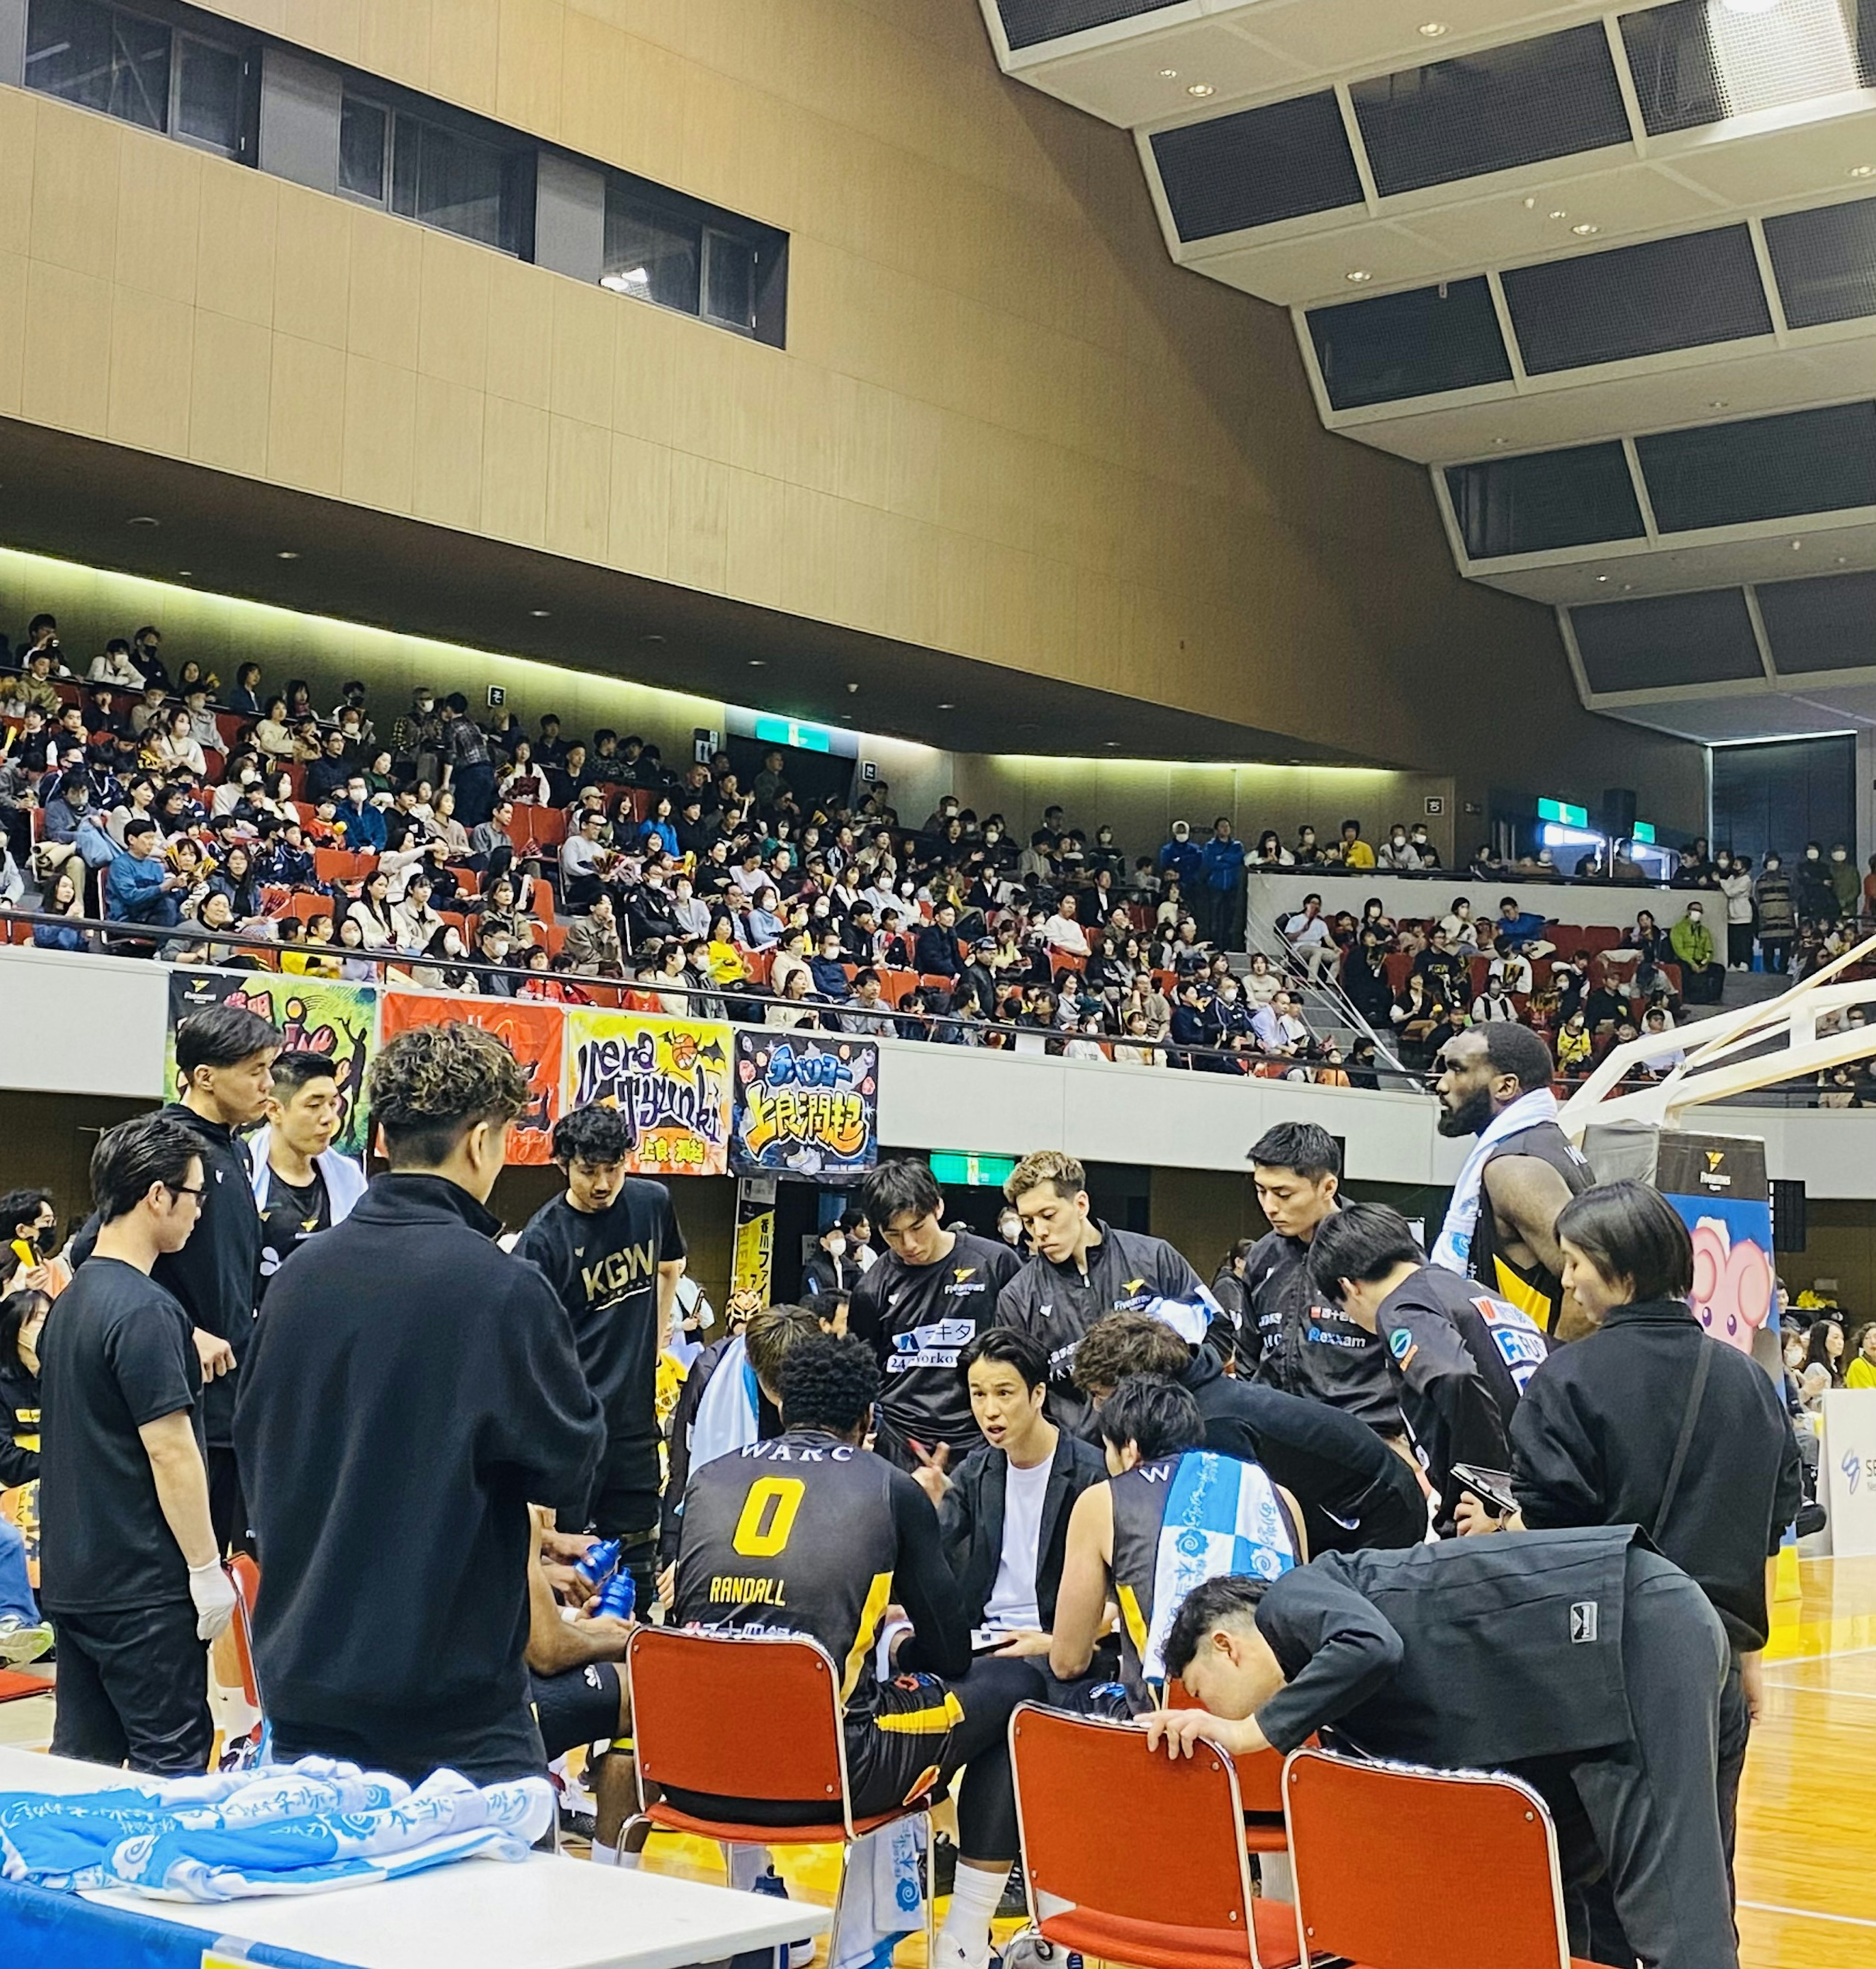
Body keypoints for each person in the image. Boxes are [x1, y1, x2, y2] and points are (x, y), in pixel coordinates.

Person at [234, 1022, 605, 1784]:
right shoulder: (503, 1288)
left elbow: (256, 1442)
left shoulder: (298, 1278)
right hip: (450, 1711)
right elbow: (567, 1469)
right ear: (478, 1141)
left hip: (302, 1685)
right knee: (509, 1899)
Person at [1456, 1181, 1799, 1958]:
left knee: (1602, 1880)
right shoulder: (1750, 1380)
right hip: (1712, 1659)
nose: (1566, 1277)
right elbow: (1766, 1527)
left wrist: (1501, 1523)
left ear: (1621, 1273)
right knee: (1704, 1875)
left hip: (1606, 1663)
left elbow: (1556, 1536)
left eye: (1576, 1262)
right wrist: (1746, 1653)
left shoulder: (1569, 1379)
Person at [1154, 1529, 1739, 1969]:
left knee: (1680, 1925)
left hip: (1627, 1630)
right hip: (1612, 1667)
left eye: (1205, 1694)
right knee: (1581, 1900)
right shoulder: (1334, 1696)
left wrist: (1248, 1731)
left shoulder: (1295, 1597)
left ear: (1225, 1646)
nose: (1216, 1714)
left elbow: (1371, 1644)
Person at [670, 1335, 1023, 1969]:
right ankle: (958, 1939)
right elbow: (951, 1655)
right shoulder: (889, 1487)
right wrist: (901, 1643)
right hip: (828, 1776)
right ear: (868, 1419)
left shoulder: (708, 1478)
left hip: (693, 1774)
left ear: (780, 1408)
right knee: (1014, 1688)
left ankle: (756, 1911)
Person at [38, 1113, 238, 1772]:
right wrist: (207, 1570)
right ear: (158, 1195)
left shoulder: (72, 1302)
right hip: (144, 1589)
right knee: (170, 1767)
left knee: (82, 1770)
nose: (200, 1212)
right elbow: (171, 1450)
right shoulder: (147, 1310)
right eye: (197, 1196)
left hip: (77, 1580)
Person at [71, 1003, 278, 1554]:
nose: (269, 1083)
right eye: (255, 1069)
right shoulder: (166, 1145)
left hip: (231, 1396)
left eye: (270, 1067)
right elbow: (95, 1251)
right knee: (188, 1565)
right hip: (178, 1394)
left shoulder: (236, 1148)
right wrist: (183, 1330)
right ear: (205, 1076)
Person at [1068, 1310, 1426, 1555]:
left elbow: (1242, 1527)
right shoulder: (1201, 1393)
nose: (1101, 1413)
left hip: (1376, 1513)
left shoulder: (1210, 1427)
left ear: (1135, 1387)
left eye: (1102, 1398)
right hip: (1351, 1498)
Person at [513, 1104, 687, 1608]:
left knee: (635, 1559)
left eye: (614, 1168)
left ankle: (630, 1663)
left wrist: (655, 1344)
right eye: (590, 1171)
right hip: (572, 1428)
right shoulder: (544, 1239)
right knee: (568, 1563)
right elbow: (526, 1349)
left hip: (634, 1423)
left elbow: (670, 1266)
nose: (604, 1183)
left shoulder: (652, 1202)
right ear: (564, 1165)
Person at [1048, 1375, 1301, 1711]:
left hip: (1175, 1722)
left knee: (1052, 1683)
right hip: (1285, 1717)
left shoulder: (1103, 1501)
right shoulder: (1280, 1494)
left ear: (1131, 1451)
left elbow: (1069, 1661)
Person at [1308, 1202, 1545, 1535]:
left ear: (1349, 1288)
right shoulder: (1471, 1292)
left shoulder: (1401, 1309)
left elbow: (1453, 1376)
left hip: (1501, 1514)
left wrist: (1489, 1498)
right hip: (1546, 1490)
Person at [916, 1327, 1108, 1680]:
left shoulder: (1092, 1475)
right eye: (978, 1395)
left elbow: (1117, 1604)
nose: (990, 1411)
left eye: (1004, 1393)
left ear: (1038, 1395)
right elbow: (934, 1560)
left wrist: (1056, 1642)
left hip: (1054, 1647)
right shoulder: (974, 1472)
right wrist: (918, 1512)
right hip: (985, 1642)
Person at [997, 1149, 1227, 1441]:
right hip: (1082, 1456)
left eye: (1048, 1216)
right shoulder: (1017, 1297)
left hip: (1168, 1441)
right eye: (1028, 1221)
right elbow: (1020, 1392)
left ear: (1081, 1205)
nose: (1039, 1232)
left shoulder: (1153, 1258)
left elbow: (1217, 1333)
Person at [844, 1160, 1023, 1473]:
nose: (909, 1245)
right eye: (893, 1235)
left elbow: (1024, 1353)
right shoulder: (872, 1288)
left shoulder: (996, 1264)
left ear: (938, 1208)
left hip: (981, 1439)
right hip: (901, 1443)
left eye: (917, 1228)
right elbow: (864, 1374)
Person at [1429, 1022, 1592, 1338]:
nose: (1442, 1085)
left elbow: (1598, 1281)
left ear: (1505, 1087)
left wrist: (1552, 1374)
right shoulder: (1544, 1142)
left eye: (1457, 1070)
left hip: (1529, 1378)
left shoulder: (1514, 1169)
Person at [1239, 1123, 1398, 1429]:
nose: (1270, 1207)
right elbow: (1249, 1353)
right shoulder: (1262, 1256)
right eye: (1261, 1191)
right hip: (1279, 1433)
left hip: (1366, 1437)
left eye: (1283, 1194)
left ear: (1328, 1188)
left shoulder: (1380, 1248)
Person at [244, 1049, 366, 1298]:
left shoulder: (349, 1177)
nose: (329, 1118)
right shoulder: (243, 1173)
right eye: (314, 1105)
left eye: (333, 1104)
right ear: (274, 1110)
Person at [1670, 899, 1725, 1005]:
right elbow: (1679, 949)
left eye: (1700, 911)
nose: (1697, 913)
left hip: (1701, 961)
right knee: (1682, 969)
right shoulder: (1678, 929)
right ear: (1688, 912)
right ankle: (1687, 999)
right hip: (1685, 960)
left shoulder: (1705, 931)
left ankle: (1714, 999)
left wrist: (1704, 963)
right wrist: (1692, 963)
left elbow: (1709, 950)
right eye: (1695, 910)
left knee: (1719, 969)